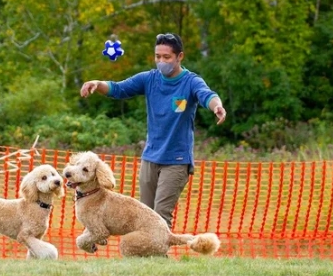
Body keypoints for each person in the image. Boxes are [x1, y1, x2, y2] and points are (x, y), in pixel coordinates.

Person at [79, 32, 226, 228]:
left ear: (179, 57)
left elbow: (207, 95)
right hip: (150, 157)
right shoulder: (149, 79)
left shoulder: (191, 81)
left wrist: (216, 106)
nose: (161, 61)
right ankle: (145, 258)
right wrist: (98, 84)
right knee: (144, 213)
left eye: (167, 57)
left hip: (177, 161)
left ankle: (159, 256)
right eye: (158, 57)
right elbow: (119, 88)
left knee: (161, 215)